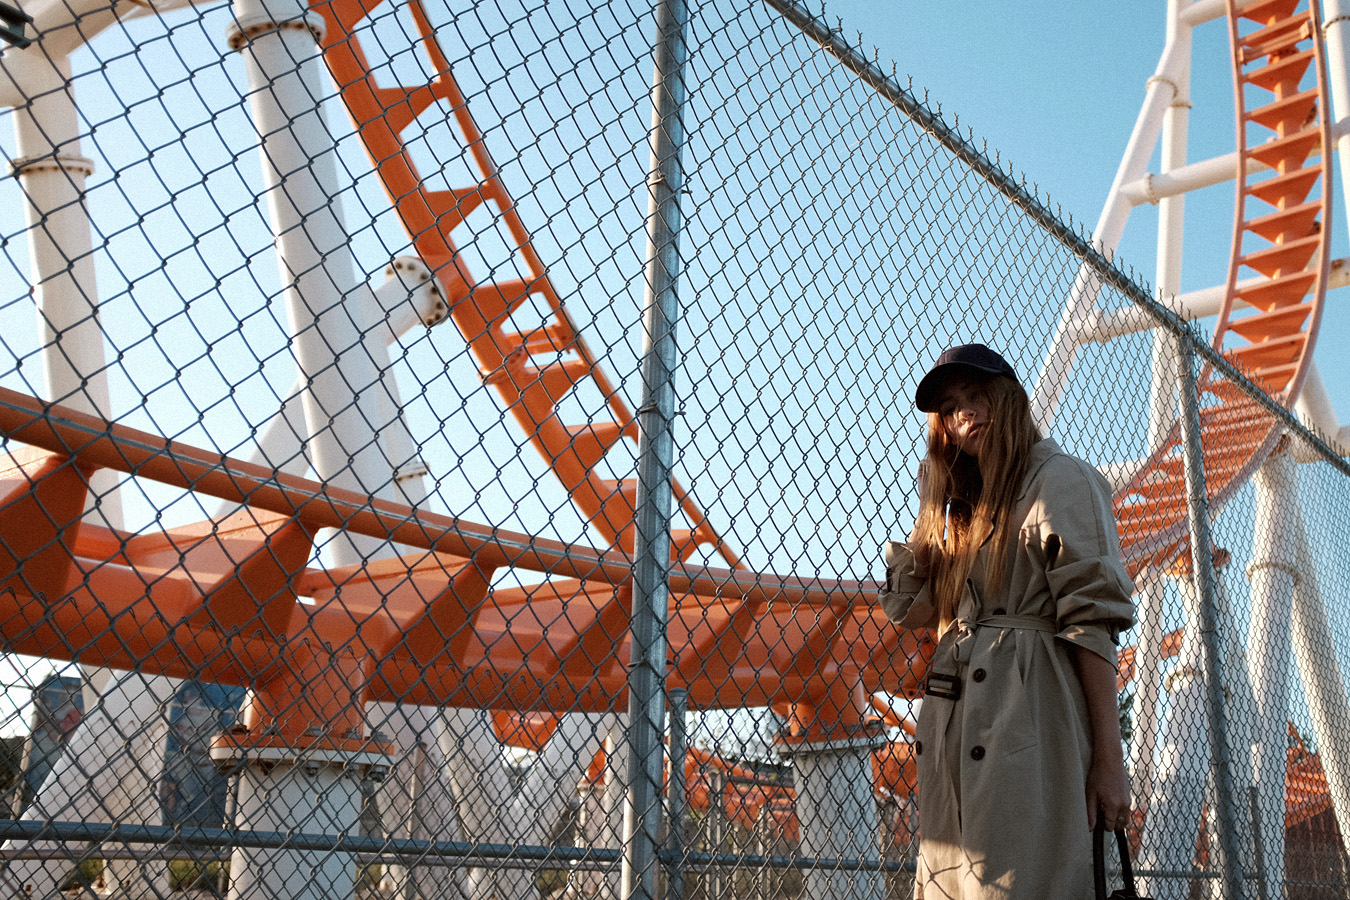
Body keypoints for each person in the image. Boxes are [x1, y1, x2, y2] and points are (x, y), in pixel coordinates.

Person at [879, 343, 1135, 899]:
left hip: (1029, 721)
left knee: (1025, 882)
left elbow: (1091, 622)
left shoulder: (1061, 479)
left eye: (975, 396)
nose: (964, 414)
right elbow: (911, 610)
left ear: (1009, 399)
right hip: (953, 732)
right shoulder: (963, 508)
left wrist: (1110, 763)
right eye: (950, 407)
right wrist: (930, 512)